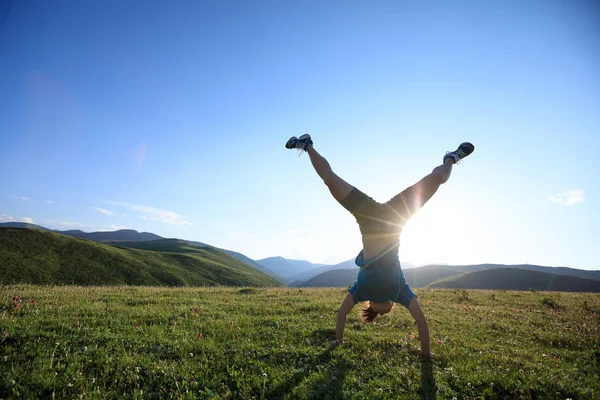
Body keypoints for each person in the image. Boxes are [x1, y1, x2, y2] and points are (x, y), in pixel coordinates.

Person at [285, 134, 474, 358]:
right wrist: (426, 354)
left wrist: (338, 342)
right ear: (390, 303)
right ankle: (450, 158)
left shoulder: (369, 291)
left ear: (372, 303)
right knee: (437, 179)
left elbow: (344, 315)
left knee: (329, 178)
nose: (382, 296)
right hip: (395, 216)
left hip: (374, 216)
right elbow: (418, 321)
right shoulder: (397, 290)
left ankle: (307, 146)